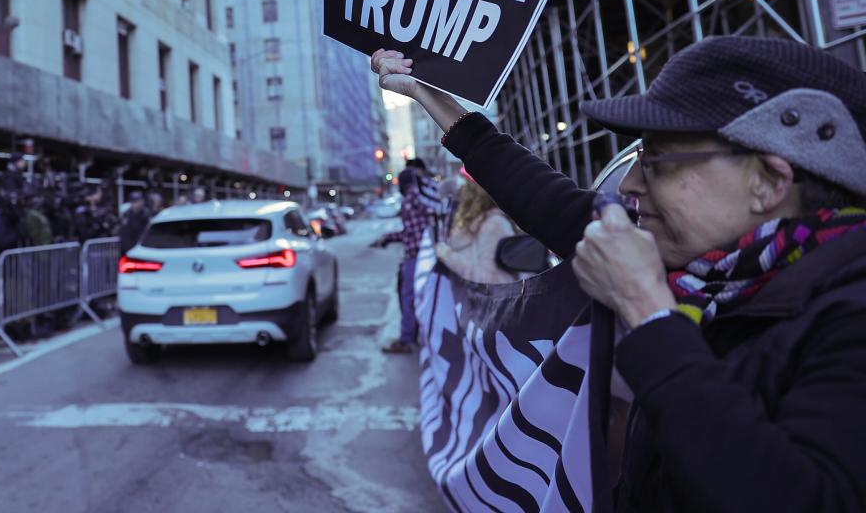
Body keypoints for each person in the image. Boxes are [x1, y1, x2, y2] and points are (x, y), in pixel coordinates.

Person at [373, 37, 866, 511]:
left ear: (769, 182)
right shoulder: (695, 264)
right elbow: (545, 199)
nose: (629, 184)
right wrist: (428, 93)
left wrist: (648, 313)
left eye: (657, 162)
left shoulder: (848, 311)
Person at [370, 167, 433, 354]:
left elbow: (411, 235)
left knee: (409, 298)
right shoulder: (423, 195)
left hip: (415, 258)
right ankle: (420, 335)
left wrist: (387, 238)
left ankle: (406, 340)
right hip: (429, 256)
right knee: (424, 297)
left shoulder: (410, 199)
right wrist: (387, 238)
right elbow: (413, 231)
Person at [435, 179, 518, 285]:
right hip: (472, 298)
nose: (461, 191)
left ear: (474, 193)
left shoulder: (494, 224)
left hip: (484, 299)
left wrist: (447, 255)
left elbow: (494, 279)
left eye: (466, 185)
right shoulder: (479, 220)